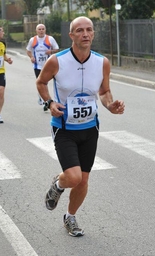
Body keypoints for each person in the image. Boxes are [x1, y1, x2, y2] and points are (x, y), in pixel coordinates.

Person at [36, 16, 125, 237]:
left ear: (93, 34)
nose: (85, 34)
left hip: (90, 128)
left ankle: (70, 217)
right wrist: (49, 103)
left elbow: (104, 92)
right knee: (73, 177)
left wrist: (110, 105)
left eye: (89, 30)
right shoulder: (57, 61)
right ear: (71, 35)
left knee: (83, 180)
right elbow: (41, 82)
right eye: (79, 30)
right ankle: (58, 184)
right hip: (64, 128)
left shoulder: (102, 62)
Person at [26, 24, 59, 111]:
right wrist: (31, 57)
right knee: (42, 83)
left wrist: (51, 51)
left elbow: (57, 49)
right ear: (36, 31)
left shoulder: (50, 39)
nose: (41, 31)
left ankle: (44, 99)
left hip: (48, 65)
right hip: (37, 65)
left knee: (46, 83)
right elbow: (28, 51)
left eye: (43, 29)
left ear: (45, 30)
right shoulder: (33, 40)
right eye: (39, 29)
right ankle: (45, 100)